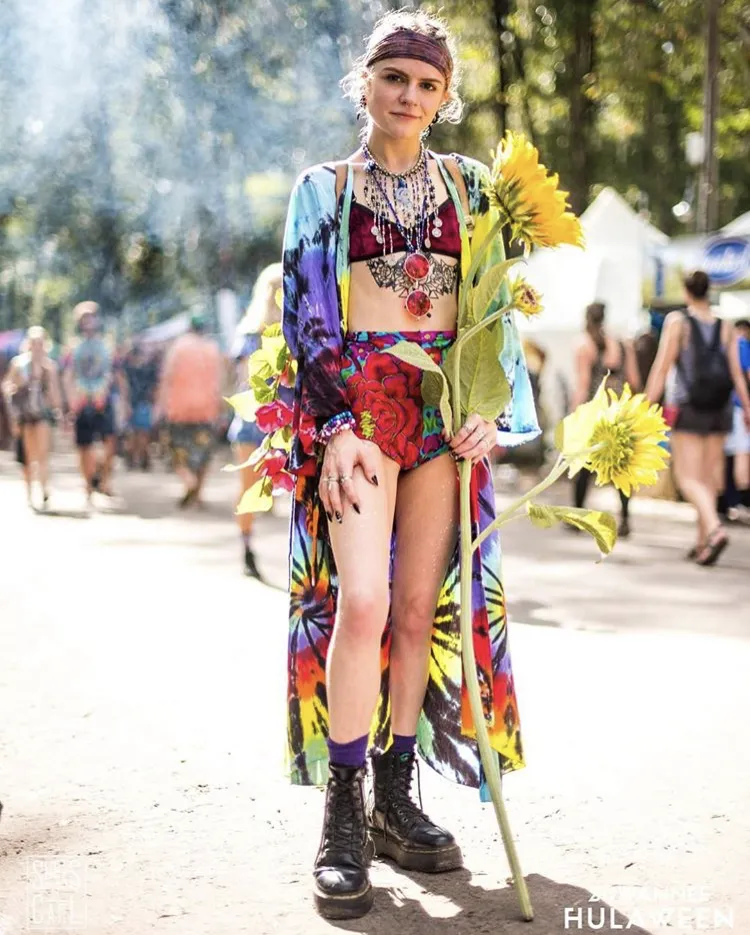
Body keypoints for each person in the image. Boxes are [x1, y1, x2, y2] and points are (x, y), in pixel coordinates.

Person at [279, 10, 539, 920]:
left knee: (421, 611)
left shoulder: (469, 189)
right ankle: (342, 809)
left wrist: (488, 407)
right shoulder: (325, 187)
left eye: (428, 85)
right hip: (359, 410)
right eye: (396, 78)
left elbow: (494, 307)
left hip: (442, 415)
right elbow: (308, 311)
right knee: (364, 602)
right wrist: (337, 423)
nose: (410, 97)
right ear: (367, 83)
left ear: (444, 97)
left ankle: (396, 792)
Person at [646, 271, 750, 565]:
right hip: (720, 410)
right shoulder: (726, 326)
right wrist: (747, 407)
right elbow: (736, 373)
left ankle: (715, 531)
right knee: (707, 478)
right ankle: (701, 542)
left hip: (689, 408)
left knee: (688, 478)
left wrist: (644, 404)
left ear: (686, 291)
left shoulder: (678, 322)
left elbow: (662, 367)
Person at [228, 263, 282, 578]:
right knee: (249, 489)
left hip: (288, 424)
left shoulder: (297, 331)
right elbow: (249, 377)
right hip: (255, 421)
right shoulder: (250, 333)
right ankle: (246, 547)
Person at [572, 302, 640, 537]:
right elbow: (633, 379)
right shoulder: (622, 344)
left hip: (595, 413)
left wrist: (574, 415)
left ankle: (577, 517)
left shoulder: (585, 345)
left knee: (583, 466)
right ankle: (625, 519)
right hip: (619, 412)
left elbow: (582, 386)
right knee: (622, 468)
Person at [156, 313, 223, 508]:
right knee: (203, 451)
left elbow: (166, 378)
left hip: (179, 408)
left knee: (176, 449)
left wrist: (160, 406)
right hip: (206, 408)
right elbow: (219, 381)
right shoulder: (212, 349)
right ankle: (198, 492)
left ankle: (189, 481)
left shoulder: (177, 348)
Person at [63, 301, 118, 501]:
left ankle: (105, 481)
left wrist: (115, 398)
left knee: (110, 443)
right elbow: (68, 375)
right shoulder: (73, 347)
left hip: (103, 400)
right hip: (82, 402)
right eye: (84, 318)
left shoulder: (107, 345)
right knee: (84, 446)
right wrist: (72, 402)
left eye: (91, 317)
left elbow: (114, 372)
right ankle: (87, 485)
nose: (88, 321)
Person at [2, 326, 62, 507]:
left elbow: (54, 392)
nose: (37, 346)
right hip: (24, 415)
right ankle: (29, 493)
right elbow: (6, 385)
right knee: (28, 456)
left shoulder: (49, 366)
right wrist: (14, 389)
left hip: (42, 414)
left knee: (43, 454)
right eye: (34, 342)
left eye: (40, 342)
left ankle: (44, 489)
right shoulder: (19, 364)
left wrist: (58, 410)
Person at [724, 318, 750, 521]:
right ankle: (741, 501)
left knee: (724, 456)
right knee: (742, 454)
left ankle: (725, 503)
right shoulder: (741, 345)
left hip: (718, 408)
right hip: (739, 408)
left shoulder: (720, 343)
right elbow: (744, 375)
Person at [122, 338, 158, 471]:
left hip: (138, 403)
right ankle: (140, 459)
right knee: (140, 433)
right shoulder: (147, 368)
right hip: (139, 403)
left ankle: (139, 459)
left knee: (138, 433)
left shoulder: (133, 368)